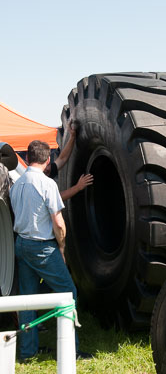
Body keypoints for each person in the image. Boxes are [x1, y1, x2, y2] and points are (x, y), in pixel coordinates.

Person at [10, 140, 92, 361]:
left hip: (21, 244)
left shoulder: (16, 184)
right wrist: (62, 248)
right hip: (42, 247)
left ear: (27, 159)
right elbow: (58, 222)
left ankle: (28, 352)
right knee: (68, 294)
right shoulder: (47, 184)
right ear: (47, 160)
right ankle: (70, 352)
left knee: (26, 299)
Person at [44, 120, 93, 201]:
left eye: (48, 165)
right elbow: (55, 198)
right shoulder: (36, 182)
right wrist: (78, 187)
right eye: (46, 166)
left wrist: (72, 137)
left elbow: (62, 158)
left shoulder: (46, 170)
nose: (48, 169)